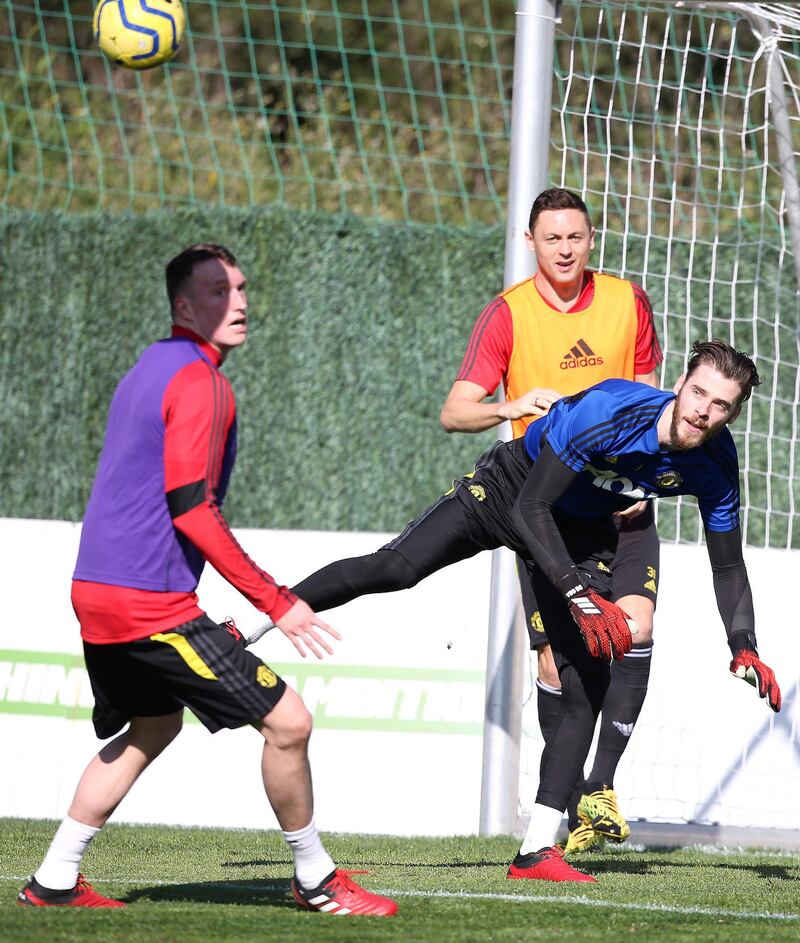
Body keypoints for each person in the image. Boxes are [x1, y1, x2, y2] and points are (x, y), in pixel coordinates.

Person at [250, 340, 781, 883]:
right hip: (510, 492)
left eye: (721, 405)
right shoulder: (613, 410)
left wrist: (744, 644)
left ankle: (534, 852)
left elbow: (727, 567)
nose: (703, 410)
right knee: (396, 569)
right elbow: (531, 505)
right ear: (678, 385)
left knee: (589, 681)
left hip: (577, 532)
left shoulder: (715, 462)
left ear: (734, 414)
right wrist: (577, 592)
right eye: (698, 392)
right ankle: (251, 621)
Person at [17, 244, 397, 917]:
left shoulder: (148, 367)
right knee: (289, 721)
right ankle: (316, 878)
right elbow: (192, 507)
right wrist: (278, 602)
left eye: (242, 287)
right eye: (217, 290)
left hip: (95, 590)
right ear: (184, 305)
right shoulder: (200, 381)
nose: (238, 300)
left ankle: (54, 877)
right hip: (147, 605)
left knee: (154, 724)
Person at [440, 187, 663, 852]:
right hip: (543, 513)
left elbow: (649, 398)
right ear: (531, 242)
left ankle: (598, 785)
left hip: (621, 507)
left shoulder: (628, 303)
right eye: (553, 238)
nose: (566, 249)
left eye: (577, 237)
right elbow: (456, 411)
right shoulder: (507, 315)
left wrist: (644, 471)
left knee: (637, 625)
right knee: (553, 664)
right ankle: (556, 808)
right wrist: (512, 407)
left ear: (591, 239)